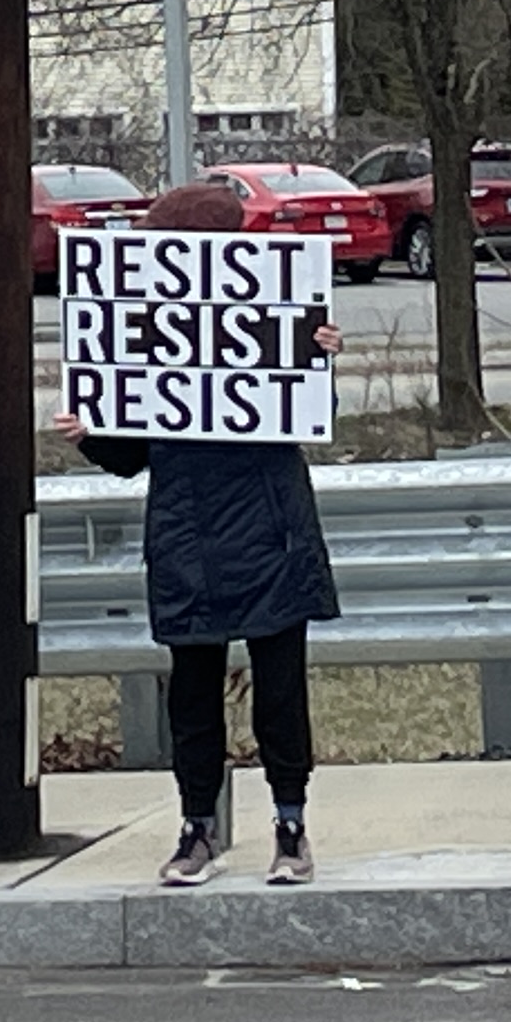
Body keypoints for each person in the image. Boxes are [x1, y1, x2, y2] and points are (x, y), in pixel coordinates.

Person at [60, 176, 342, 887]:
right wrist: (88, 433)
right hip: (188, 528)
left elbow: (306, 414)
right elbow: (130, 456)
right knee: (192, 690)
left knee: (280, 690)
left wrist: (319, 355)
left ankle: (289, 822)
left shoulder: (276, 314)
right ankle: (197, 828)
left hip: (266, 522)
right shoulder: (149, 332)